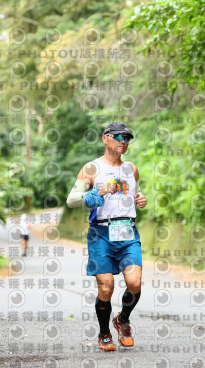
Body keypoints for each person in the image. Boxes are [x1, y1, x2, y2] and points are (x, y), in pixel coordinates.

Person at [66, 122, 147, 351]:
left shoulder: (131, 169)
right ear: (105, 138)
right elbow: (71, 200)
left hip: (128, 231)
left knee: (134, 283)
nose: (124, 141)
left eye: (127, 138)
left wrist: (140, 199)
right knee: (106, 287)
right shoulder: (92, 168)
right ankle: (104, 333)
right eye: (119, 136)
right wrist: (97, 192)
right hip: (101, 233)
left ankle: (122, 319)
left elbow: (135, 194)